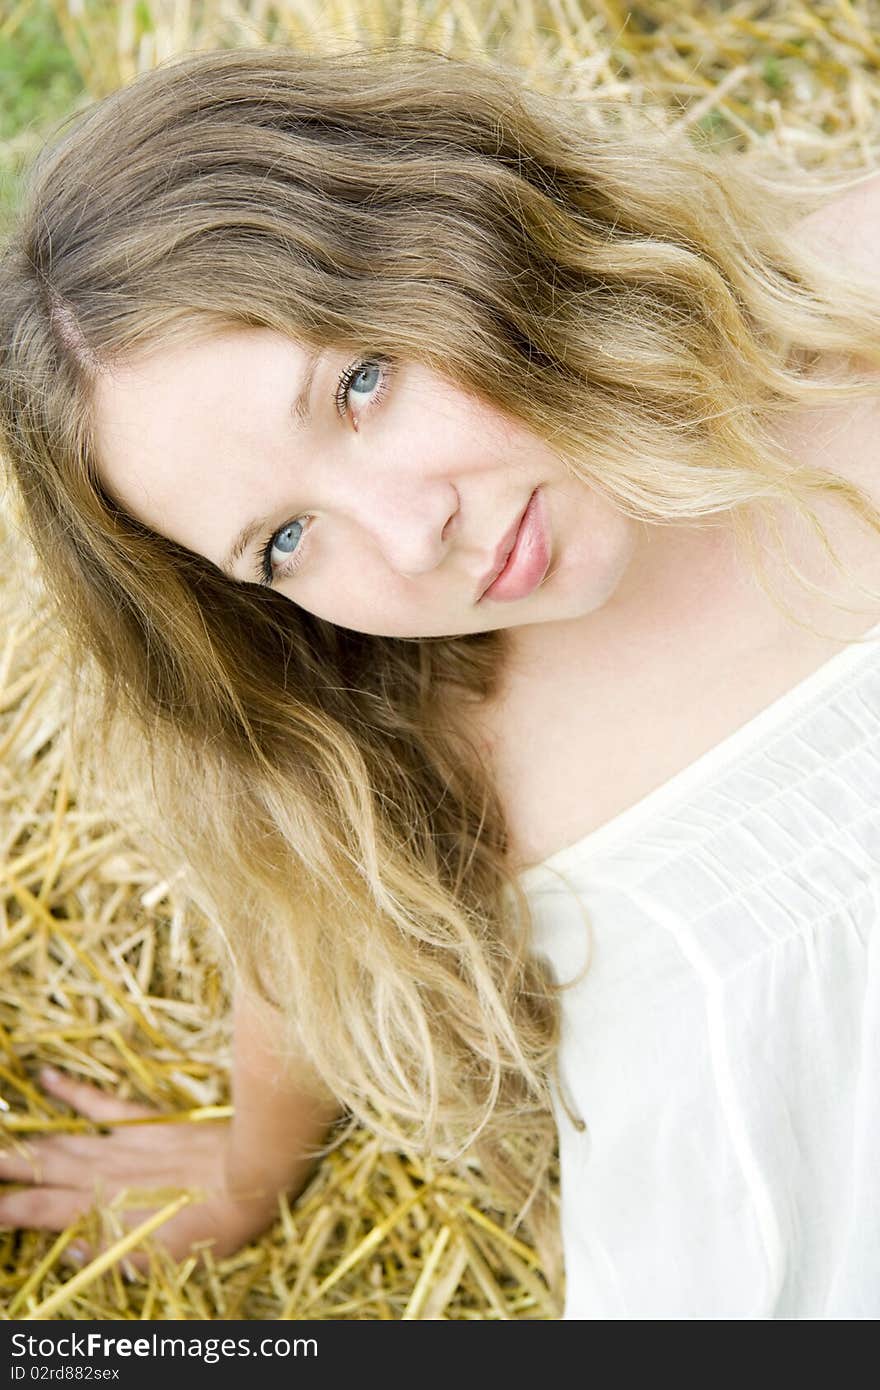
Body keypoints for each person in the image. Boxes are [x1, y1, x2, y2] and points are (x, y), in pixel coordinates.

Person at [0, 42, 879, 1319]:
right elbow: (294, 945)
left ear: (456, 227)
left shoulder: (846, 316)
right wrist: (246, 1178)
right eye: (285, 541)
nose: (413, 536)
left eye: (360, 384)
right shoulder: (414, 763)